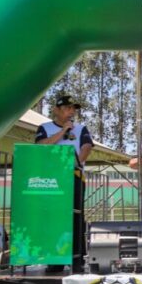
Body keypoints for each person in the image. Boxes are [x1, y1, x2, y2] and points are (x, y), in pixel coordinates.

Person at [35, 94, 94, 273]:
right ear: (56, 110)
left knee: (76, 217)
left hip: (74, 176)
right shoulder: (44, 128)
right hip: (51, 179)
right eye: (68, 108)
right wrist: (63, 131)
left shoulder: (81, 128)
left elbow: (86, 147)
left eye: (73, 109)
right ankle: (55, 259)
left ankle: (77, 259)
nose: (71, 112)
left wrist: (76, 164)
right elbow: (41, 146)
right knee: (53, 216)